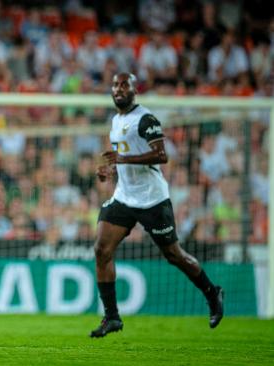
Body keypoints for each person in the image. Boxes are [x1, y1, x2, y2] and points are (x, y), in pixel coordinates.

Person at [90, 73, 224, 338]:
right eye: (115, 85)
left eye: (124, 85)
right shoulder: (116, 121)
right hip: (125, 197)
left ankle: (212, 292)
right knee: (101, 249)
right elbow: (125, 158)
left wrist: (122, 159)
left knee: (174, 255)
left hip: (152, 199)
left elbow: (161, 155)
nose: (118, 89)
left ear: (135, 90)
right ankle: (112, 317)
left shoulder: (146, 119)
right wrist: (111, 171)